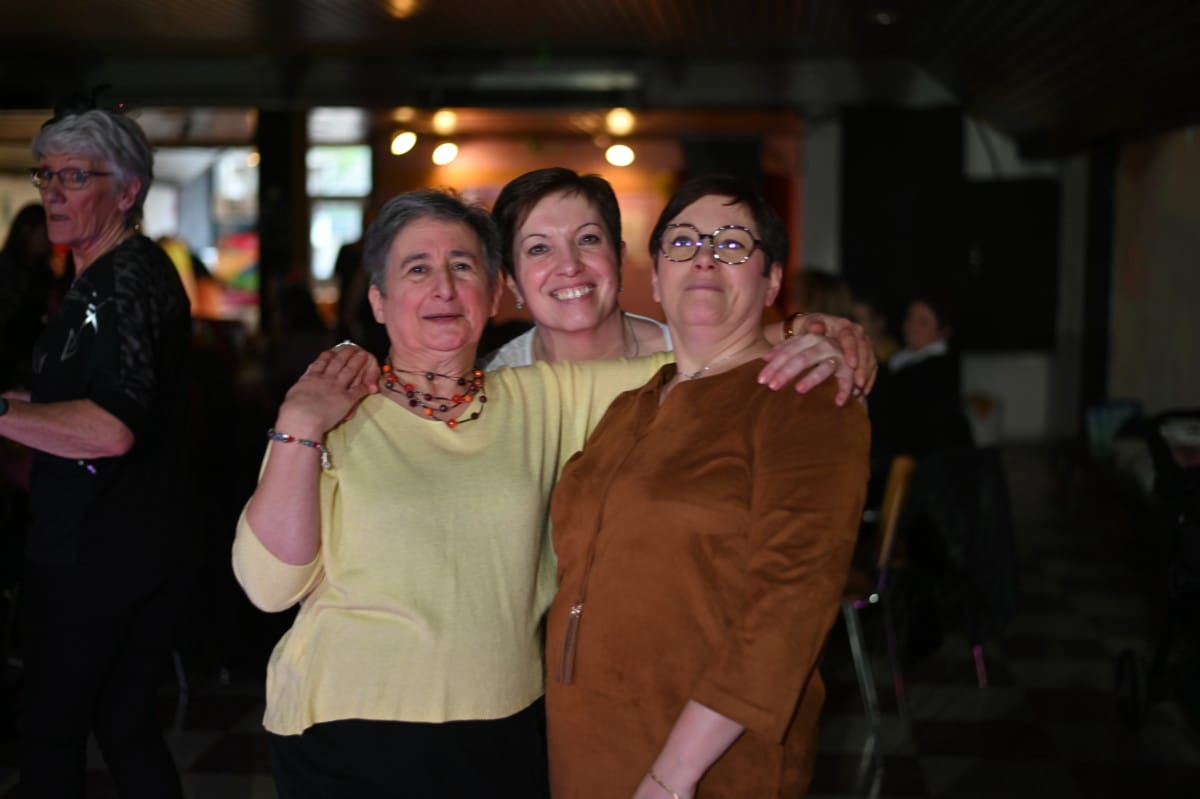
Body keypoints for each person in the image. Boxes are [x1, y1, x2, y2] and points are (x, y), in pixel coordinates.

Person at [232, 189, 861, 797]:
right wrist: (299, 425)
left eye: (463, 266)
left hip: (503, 729)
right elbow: (269, 588)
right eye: (417, 268)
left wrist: (814, 332)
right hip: (345, 728)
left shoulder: (541, 396)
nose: (443, 288)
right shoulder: (333, 409)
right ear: (378, 299)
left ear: (494, 292)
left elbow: (708, 358)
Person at [544, 175, 870, 798]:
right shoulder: (631, 406)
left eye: (732, 244)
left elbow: (789, 606)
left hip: (703, 765)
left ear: (771, 281)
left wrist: (672, 777)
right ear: (656, 278)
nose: (704, 257)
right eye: (683, 241)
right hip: (587, 747)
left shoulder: (801, 394)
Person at [0, 102, 194, 797]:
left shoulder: (121, 281)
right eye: (46, 174)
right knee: (123, 724)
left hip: (97, 549)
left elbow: (112, 427)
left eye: (76, 176)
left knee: (50, 736)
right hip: (131, 540)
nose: (53, 191)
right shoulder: (113, 274)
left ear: (127, 190)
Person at [481, 167, 875, 396]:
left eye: (588, 240)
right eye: (538, 248)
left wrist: (810, 332)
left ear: (619, 258)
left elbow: (740, 353)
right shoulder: (495, 384)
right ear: (511, 281)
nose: (569, 265)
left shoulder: (686, 360)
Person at [0, 203, 56, 392]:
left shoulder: (43, 274)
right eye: (44, 231)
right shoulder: (7, 269)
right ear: (27, 231)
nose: (49, 238)